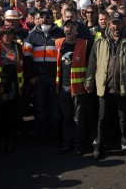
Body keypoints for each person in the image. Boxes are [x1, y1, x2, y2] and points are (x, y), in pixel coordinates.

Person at [85, 11, 126, 162]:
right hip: (105, 87)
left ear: (123, 23)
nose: (115, 26)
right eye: (113, 22)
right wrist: (89, 81)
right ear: (109, 24)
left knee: (125, 119)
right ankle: (99, 145)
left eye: (118, 22)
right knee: (103, 118)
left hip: (124, 87)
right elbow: (92, 63)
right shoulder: (100, 41)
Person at [24, 8, 64, 145]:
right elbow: (27, 59)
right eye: (42, 17)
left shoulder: (60, 33)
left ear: (52, 18)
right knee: (40, 109)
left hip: (54, 79)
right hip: (38, 79)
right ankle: (42, 136)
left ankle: (56, 135)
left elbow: (64, 57)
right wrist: (31, 77)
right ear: (39, 19)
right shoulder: (31, 35)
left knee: (55, 109)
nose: (45, 19)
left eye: (47, 17)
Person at [0, 26, 27, 153]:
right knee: (0, 114)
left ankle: (11, 139)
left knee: (12, 113)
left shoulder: (18, 47)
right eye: (5, 34)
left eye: (11, 34)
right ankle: (2, 139)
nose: (8, 37)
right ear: (0, 35)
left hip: (14, 84)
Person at [55, 19, 92, 156]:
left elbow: (90, 65)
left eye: (72, 27)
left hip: (78, 89)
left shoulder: (84, 44)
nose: (69, 29)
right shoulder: (59, 43)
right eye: (66, 27)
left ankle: (78, 144)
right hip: (63, 88)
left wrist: (89, 83)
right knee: (67, 117)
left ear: (76, 30)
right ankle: (67, 143)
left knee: (78, 118)